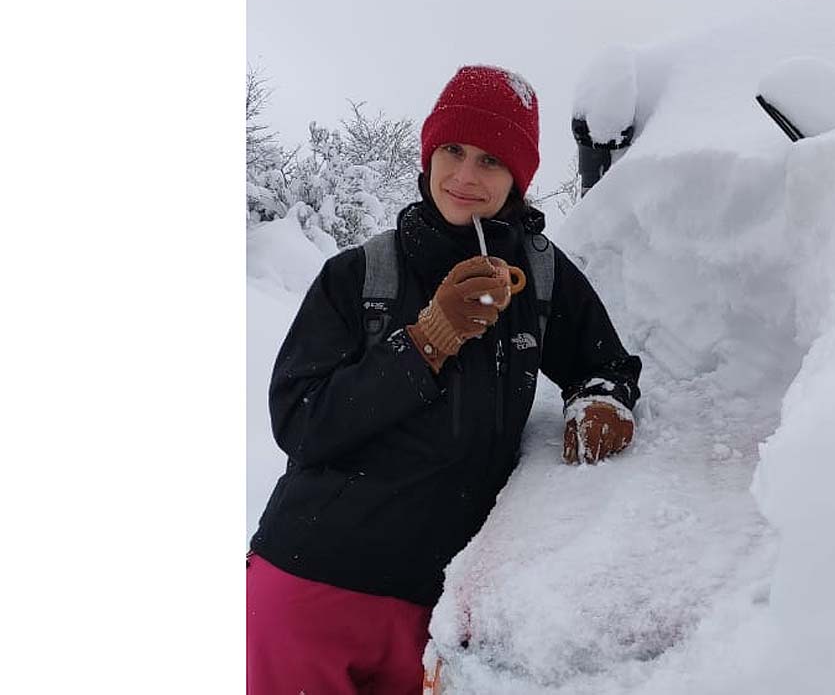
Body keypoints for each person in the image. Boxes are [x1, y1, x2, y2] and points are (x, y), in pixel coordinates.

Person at [246, 65, 643, 694]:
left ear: (518, 177)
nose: (464, 175)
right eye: (452, 150)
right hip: (314, 585)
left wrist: (601, 400)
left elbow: (605, 363)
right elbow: (299, 421)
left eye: (490, 160)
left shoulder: (538, 276)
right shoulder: (359, 275)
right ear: (429, 153)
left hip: (436, 613)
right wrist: (428, 339)